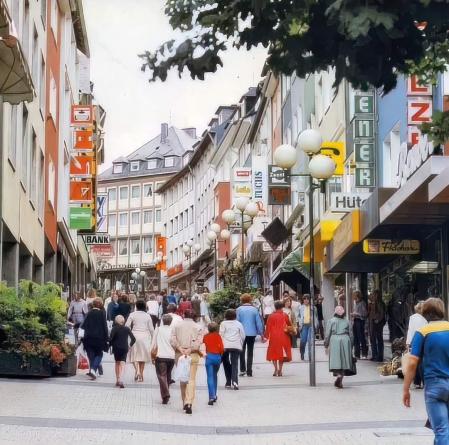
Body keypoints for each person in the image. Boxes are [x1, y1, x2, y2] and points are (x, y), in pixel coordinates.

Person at [403, 298, 449, 444]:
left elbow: (412, 362)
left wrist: (406, 389)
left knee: (441, 430)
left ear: (425, 313)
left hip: (434, 386)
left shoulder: (422, 332)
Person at [170, 309, 204, 414]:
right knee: (191, 379)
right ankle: (189, 402)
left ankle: (184, 401)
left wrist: (180, 348)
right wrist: (190, 349)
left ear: (184, 315)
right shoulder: (198, 327)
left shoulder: (176, 326)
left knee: (183, 378)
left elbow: (172, 339)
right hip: (193, 353)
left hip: (179, 354)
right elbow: (199, 341)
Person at [324, 306, 354, 389]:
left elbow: (327, 334)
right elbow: (351, 334)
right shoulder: (347, 321)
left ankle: (338, 375)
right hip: (345, 339)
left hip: (334, 340)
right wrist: (351, 345)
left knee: (336, 361)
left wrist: (326, 345)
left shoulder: (331, 321)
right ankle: (340, 379)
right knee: (344, 361)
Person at [126, 300, 154, 382]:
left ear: (136, 306)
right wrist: (153, 339)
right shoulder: (147, 316)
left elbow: (127, 326)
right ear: (145, 307)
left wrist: (128, 334)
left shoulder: (132, 314)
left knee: (134, 356)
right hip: (144, 337)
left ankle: (137, 371)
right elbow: (151, 329)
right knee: (142, 357)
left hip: (134, 336)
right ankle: (141, 374)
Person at [236, 294, 264, 377]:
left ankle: (242, 369)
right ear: (250, 300)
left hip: (241, 333)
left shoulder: (238, 310)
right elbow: (258, 323)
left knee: (241, 351)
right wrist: (261, 333)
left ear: (242, 300)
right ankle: (249, 371)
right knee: (250, 351)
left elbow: (237, 322)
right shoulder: (254, 310)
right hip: (252, 333)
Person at [81, 297, 108, 380]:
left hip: (88, 338)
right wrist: (106, 338)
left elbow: (83, 325)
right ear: (101, 305)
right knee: (99, 354)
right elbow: (105, 326)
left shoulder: (89, 313)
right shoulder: (102, 314)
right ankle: (93, 369)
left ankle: (93, 370)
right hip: (99, 338)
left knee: (91, 354)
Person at [152, 314, 176, 404]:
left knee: (162, 375)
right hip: (171, 356)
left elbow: (154, 342)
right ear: (171, 321)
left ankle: (165, 394)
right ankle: (165, 397)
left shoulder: (158, 329)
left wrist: (151, 353)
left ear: (162, 320)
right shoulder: (173, 330)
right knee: (168, 375)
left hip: (161, 355)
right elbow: (174, 343)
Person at [220, 309, 245, 390]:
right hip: (236, 345)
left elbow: (221, 335)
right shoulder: (239, 324)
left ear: (226, 316)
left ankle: (228, 381)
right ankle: (235, 382)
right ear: (235, 316)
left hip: (225, 346)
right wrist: (240, 343)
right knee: (234, 364)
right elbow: (242, 335)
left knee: (226, 362)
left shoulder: (223, 323)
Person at [265, 300, 292, 377]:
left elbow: (268, 327)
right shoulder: (285, 315)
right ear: (282, 307)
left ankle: (275, 369)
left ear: (275, 307)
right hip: (284, 336)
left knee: (274, 353)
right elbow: (289, 324)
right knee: (281, 354)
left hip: (274, 336)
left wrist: (266, 336)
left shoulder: (271, 316)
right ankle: (280, 370)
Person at [109, 315, 136, 388]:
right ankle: (121, 379)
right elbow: (133, 339)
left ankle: (117, 380)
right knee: (123, 363)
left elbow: (111, 339)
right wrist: (130, 346)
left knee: (117, 363)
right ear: (123, 321)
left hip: (116, 348)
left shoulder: (114, 329)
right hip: (124, 348)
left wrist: (109, 346)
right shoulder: (127, 329)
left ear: (116, 321)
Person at [405, 301, 427, 388]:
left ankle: (417, 382)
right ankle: (424, 382)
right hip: (423, 340)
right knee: (422, 361)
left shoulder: (412, 317)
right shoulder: (425, 319)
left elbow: (410, 330)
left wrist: (408, 343)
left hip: (414, 340)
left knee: (415, 361)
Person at [203, 322, 224, 405]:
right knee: (215, 375)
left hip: (209, 357)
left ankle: (211, 396)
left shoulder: (206, 336)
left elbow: (203, 345)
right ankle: (215, 394)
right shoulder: (218, 336)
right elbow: (222, 348)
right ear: (217, 329)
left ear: (208, 329)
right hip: (217, 358)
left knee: (210, 377)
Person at [368, 289, 386, 362]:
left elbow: (382, 313)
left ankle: (379, 356)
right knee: (373, 339)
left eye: (374, 294)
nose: (372, 296)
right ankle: (375, 355)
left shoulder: (380, 303)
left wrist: (377, 320)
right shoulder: (374, 303)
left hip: (377, 323)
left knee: (378, 339)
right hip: (373, 322)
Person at [351, 290, 368, 359]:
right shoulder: (356, 303)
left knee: (361, 337)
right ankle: (357, 354)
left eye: (354, 296)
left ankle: (364, 353)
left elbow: (365, 314)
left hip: (360, 321)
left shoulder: (362, 303)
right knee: (356, 338)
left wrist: (356, 314)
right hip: (355, 320)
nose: (353, 297)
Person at [299, 294, 316, 361]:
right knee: (303, 341)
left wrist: (315, 326)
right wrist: (300, 325)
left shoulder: (313, 308)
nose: (306, 300)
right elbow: (299, 317)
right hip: (304, 325)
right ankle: (302, 353)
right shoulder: (301, 307)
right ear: (303, 300)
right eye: (304, 299)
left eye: (307, 299)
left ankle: (310, 356)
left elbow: (316, 317)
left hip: (311, 325)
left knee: (310, 341)